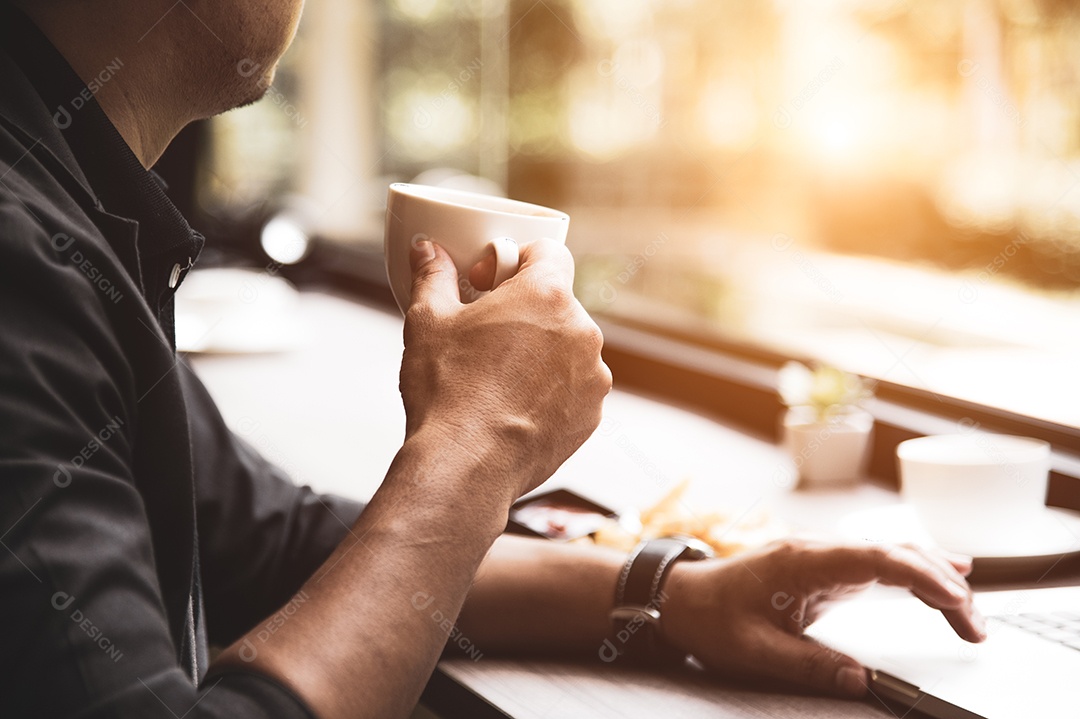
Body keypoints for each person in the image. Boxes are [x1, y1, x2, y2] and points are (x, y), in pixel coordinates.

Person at [0, 1, 986, 717]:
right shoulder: (18, 260)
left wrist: (667, 595)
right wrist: (478, 442)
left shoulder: (67, 202)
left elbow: (270, 546)